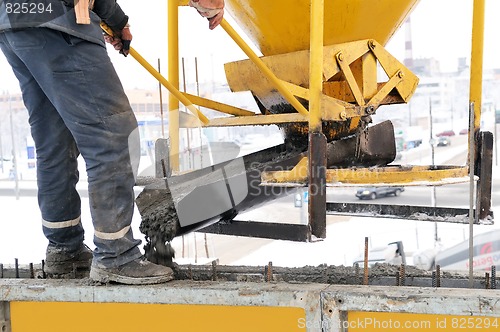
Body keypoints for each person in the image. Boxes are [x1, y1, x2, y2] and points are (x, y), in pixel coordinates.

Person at [0, 0, 224, 285]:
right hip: (58, 21)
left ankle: (64, 249)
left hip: (16, 22)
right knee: (113, 135)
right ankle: (116, 255)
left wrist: (115, 20)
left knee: (55, 140)